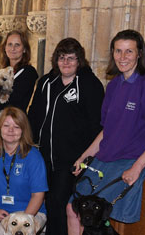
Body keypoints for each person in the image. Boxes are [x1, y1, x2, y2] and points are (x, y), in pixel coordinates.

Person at [68, 29, 145, 234]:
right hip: (106, 158)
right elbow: (106, 131)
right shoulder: (114, 85)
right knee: (74, 209)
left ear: (139, 54)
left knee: (102, 218)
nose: (122, 57)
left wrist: (137, 167)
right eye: (118, 51)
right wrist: (84, 157)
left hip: (130, 159)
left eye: (129, 51)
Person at [27, 38, 104, 235]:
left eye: (72, 58)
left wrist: (87, 157)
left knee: (59, 203)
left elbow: (97, 124)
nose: (66, 62)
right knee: (46, 202)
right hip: (44, 156)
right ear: (56, 60)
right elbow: (34, 116)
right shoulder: (46, 82)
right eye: (62, 58)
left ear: (80, 60)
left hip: (72, 160)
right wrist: (26, 143)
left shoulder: (89, 84)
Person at [0, 107, 48, 234]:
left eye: (17, 127)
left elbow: (38, 195)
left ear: (23, 130)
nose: (11, 130)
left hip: (31, 214)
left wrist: (23, 220)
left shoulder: (34, 156)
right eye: (6, 125)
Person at [0, 30, 38, 112]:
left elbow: (12, 101)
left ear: (24, 49)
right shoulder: (2, 72)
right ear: (5, 48)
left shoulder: (29, 72)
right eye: (10, 44)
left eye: (17, 45)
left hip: (14, 121)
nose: (13, 48)